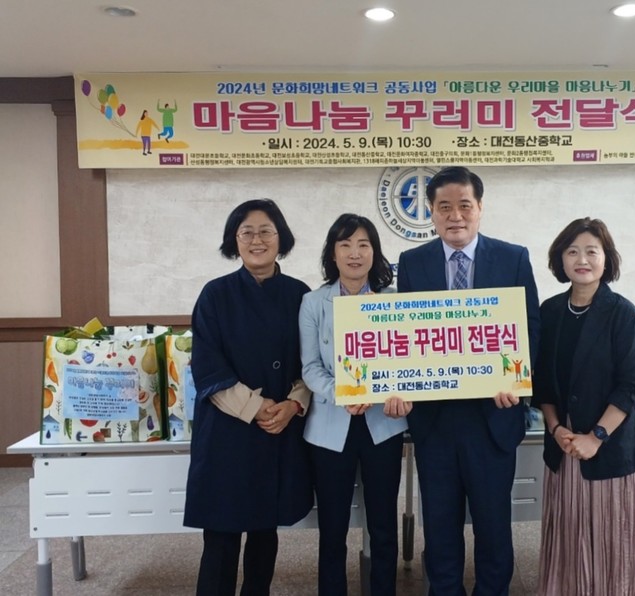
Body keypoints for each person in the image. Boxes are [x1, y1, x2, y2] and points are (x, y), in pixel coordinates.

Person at [390, 166, 541, 595]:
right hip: (435, 421)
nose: (455, 216)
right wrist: (397, 384)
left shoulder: (513, 257)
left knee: (493, 525)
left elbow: (530, 327)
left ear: (480, 208)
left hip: (493, 417)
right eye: (444, 207)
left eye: (464, 206)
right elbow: (405, 334)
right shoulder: (413, 263)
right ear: (431, 213)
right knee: (440, 525)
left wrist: (516, 380)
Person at [184, 199, 313, 596]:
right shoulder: (215, 295)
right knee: (221, 534)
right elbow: (208, 366)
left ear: (281, 238)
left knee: (264, 530)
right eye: (247, 233)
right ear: (234, 241)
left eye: (266, 231)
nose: (257, 240)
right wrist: (256, 407)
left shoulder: (299, 294)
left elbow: (315, 360)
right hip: (228, 430)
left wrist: (294, 404)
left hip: (279, 428)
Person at [531, 217, 635, 596]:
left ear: (606, 259)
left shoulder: (623, 314)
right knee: (568, 534)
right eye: (572, 251)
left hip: (608, 447)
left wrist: (596, 437)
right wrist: (555, 428)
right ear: (560, 260)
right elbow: (542, 382)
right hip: (564, 444)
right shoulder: (549, 312)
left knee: (609, 537)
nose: (582, 260)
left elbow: (631, 385)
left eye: (591, 252)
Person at [300, 213, 408, 596]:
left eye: (364, 244)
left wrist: (389, 393)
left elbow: (404, 363)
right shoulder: (313, 302)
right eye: (345, 245)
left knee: (383, 525)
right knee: (333, 529)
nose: (355, 253)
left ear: (374, 252)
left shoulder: (392, 301)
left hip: (383, 426)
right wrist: (345, 392)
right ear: (333, 254)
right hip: (330, 428)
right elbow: (310, 368)